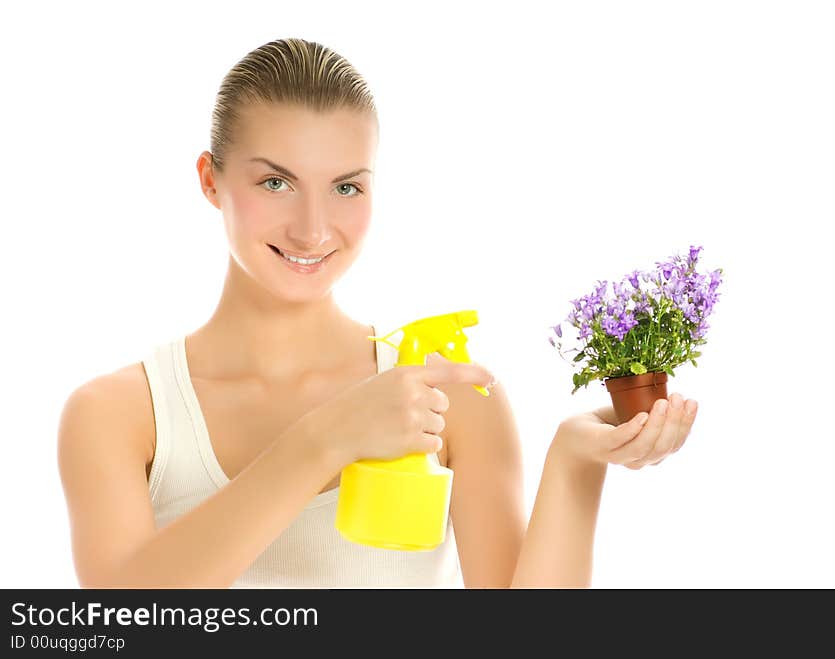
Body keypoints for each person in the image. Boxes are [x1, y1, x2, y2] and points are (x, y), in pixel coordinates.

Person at [57, 37, 699, 589]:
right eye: (275, 182)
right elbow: (117, 621)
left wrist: (577, 463)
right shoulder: (118, 415)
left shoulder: (448, 395)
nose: (313, 229)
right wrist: (324, 439)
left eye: (346, 187)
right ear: (210, 180)